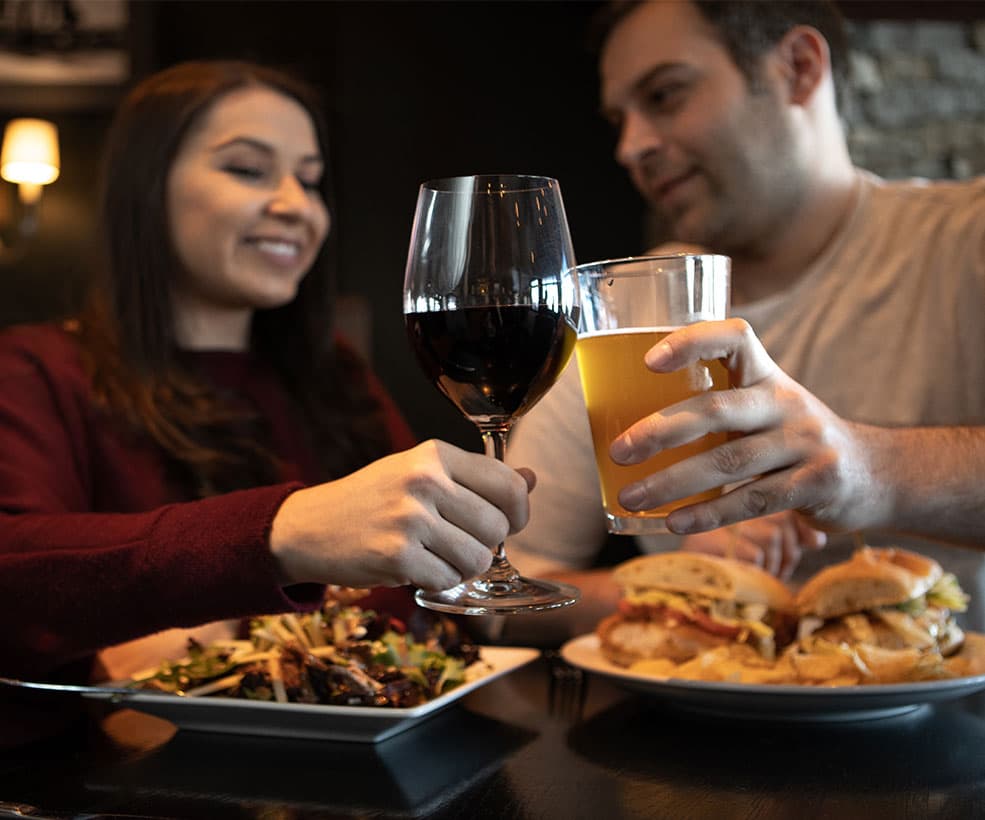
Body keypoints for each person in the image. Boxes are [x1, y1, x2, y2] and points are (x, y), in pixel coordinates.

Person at [0, 60, 536, 714]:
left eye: (309, 181)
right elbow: (17, 573)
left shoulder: (329, 374)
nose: (294, 205)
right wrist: (282, 534)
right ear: (145, 188)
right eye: (248, 170)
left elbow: (421, 593)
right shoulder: (37, 368)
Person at [504, 0, 985, 639]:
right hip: (681, 732)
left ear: (799, 68)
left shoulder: (965, 241)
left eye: (665, 95)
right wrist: (668, 587)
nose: (630, 146)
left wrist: (866, 470)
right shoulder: (622, 306)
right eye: (621, 119)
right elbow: (508, 596)